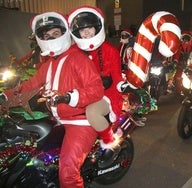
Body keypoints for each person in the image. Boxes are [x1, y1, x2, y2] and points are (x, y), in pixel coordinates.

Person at [0, 12, 105, 188]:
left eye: (55, 33)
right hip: (56, 118)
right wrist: (6, 95)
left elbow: (96, 90)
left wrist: (70, 96)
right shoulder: (48, 64)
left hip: (79, 122)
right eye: (46, 35)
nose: (50, 38)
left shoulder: (78, 59)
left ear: (65, 33)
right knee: (33, 156)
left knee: (68, 173)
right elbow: (29, 85)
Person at [68, 6, 136, 160]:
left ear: (97, 28)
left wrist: (122, 85)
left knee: (92, 112)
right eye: (82, 29)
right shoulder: (72, 51)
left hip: (106, 94)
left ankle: (108, 140)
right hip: (80, 93)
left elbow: (117, 77)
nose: (86, 32)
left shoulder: (110, 50)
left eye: (90, 28)